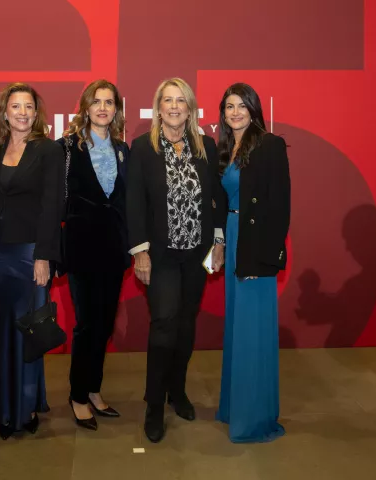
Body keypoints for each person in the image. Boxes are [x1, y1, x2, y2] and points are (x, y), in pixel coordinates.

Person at [126, 77, 223, 443]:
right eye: (167, 100)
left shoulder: (205, 146)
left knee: (185, 324)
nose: (174, 106)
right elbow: (134, 202)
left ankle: (176, 391)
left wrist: (218, 241)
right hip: (161, 255)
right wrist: (140, 251)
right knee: (164, 322)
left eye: (180, 100)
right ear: (158, 108)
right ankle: (154, 404)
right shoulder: (143, 147)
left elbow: (216, 198)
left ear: (190, 108)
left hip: (196, 254)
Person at [0, 83, 65, 439]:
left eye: (29, 106)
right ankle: (1, 407)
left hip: (30, 255)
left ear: (36, 113)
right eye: (16, 106)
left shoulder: (49, 150)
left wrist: (44, 256)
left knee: (28, 332)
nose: (23, 113)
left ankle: (25, 407)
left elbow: (52, 206)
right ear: (4, 112)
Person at [214, 82, 290, 443]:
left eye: (242, 106)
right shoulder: (224, 148)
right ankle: (235, 408)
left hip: (255, 246)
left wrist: (267, 255)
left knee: (253, 330)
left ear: (254, 109)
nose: (235, 112)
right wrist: (219, 242)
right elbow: (219, 203)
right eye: (229, 107)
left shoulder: (270, 145)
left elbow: (281, 204)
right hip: (232, 238)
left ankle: (254, 417)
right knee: (236, 327)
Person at [57, 80, 130, 430]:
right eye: (96, 101)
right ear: (85, 107)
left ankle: (94, 389)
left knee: (104, 324)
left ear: (116, 109)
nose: (103, 108)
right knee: (86, 324)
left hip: (113, 250)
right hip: (81, 249)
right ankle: (77, 395)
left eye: (109, 102)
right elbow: (55, 198)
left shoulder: (122, 149)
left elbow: (124, 201)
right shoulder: (66, 147)